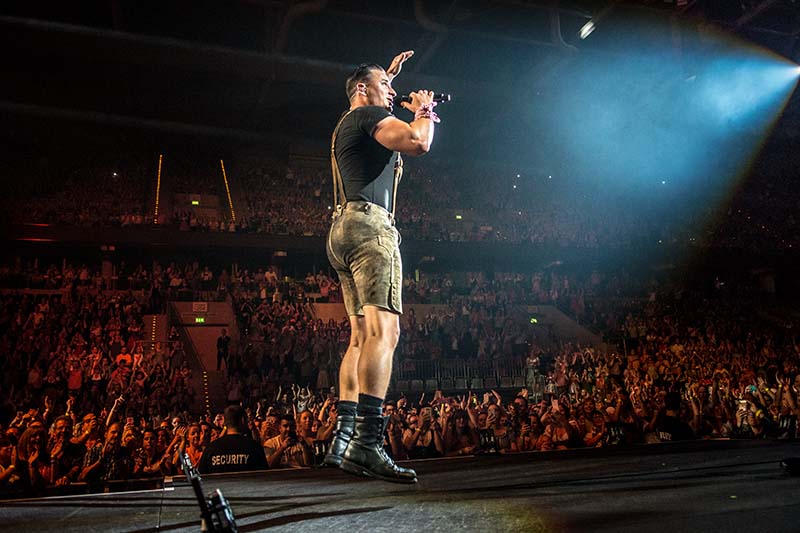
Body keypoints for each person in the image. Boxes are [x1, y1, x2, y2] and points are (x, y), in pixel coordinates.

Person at [324, 49, 438, 483]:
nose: (393, 93)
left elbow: (366, 93)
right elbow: (419, 142)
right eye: (386, 87)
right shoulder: (366, 116)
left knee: (359, 337)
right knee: (384, 333)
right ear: (361, 91)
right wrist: (424, 109)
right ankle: (368, 446)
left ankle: (344, 438)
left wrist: (383, 78)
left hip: (341, 229)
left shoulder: (347, 122)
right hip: (370, 228)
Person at [197, 405, 268, 474]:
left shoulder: (211, 448)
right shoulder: (254, 447)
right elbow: (264, 476)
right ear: (242, 420)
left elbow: (202, 476)